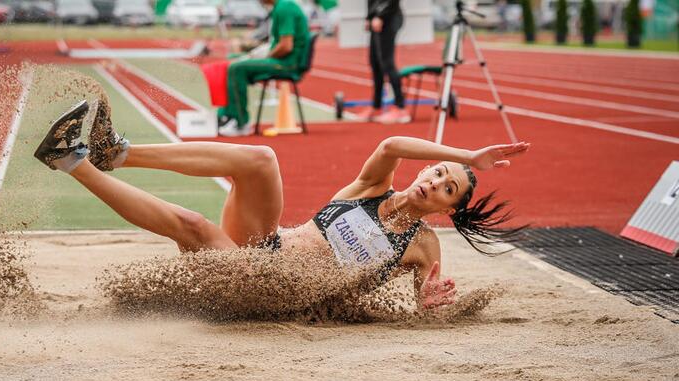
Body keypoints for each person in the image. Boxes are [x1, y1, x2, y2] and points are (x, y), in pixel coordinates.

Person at [34, 100, 529, 308]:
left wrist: (432, 303)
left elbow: (429, 309)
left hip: (274, 294)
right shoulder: (371, 187)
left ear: (447, 208)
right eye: (437, 172)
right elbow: (394, 145)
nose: (437, 182)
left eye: (449, 189)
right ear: (425, 169)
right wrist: (467, 156)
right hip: (264, 248)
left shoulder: (421, 244)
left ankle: (71, 161)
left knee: (194, 225)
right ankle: (117, 153)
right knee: (262, 158)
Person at [217, 0, 310, 137]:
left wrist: (265, 56)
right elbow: (277, 44)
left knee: (236, 68)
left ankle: (241, 123)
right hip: (282, 60)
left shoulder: (285, 8)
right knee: (233, 60)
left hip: (288, 64)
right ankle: (227, 115)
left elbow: (286, 46)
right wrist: (255, 55)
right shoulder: (281, 7)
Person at [357, 0, 410, 124]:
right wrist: (369, 17)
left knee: (387, 63)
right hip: (377, 18)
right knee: (375, 63)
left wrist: (381, 16)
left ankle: (400, 108)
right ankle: (376, 106)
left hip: (390, 18)